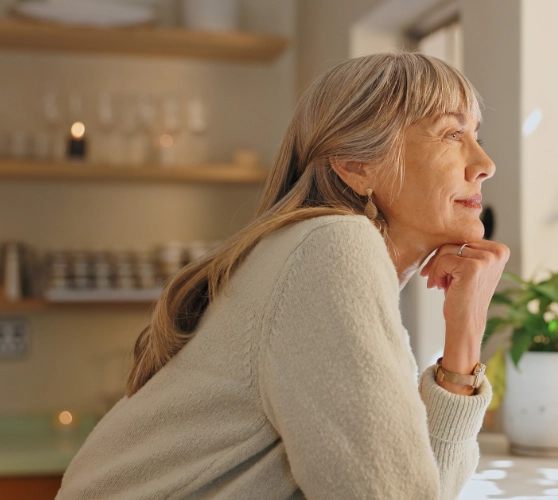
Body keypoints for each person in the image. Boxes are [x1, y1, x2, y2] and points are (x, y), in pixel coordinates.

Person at [57, 52, 509, 500]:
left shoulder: (317, 251)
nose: (484, 162)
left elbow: (422, 486)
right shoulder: (331, 245)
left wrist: (464, 332)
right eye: (453, 133)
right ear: (356, 165)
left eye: (476, 135)